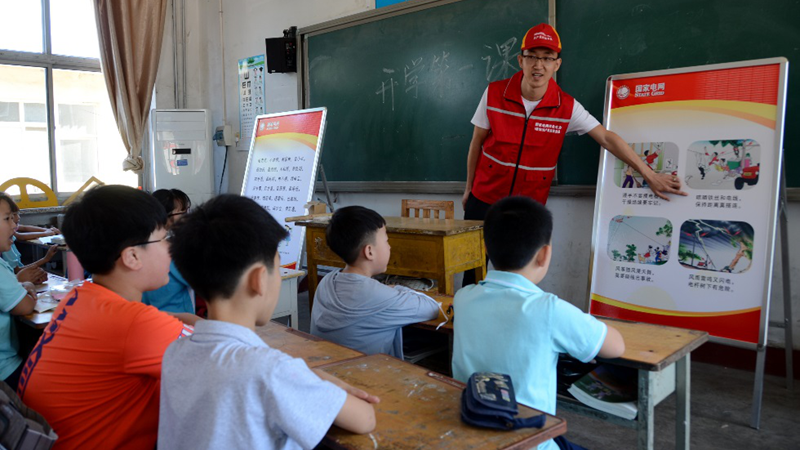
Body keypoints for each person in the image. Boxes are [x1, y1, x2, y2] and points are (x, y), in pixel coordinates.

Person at [159, 195, 378, 449]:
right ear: (259, 279)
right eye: (277, 268)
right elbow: (365, 419)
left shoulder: (175, 351)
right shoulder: (270, 369)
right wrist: (323, 380)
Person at [17, 185, 194, 450]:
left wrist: (181, 318)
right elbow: (228, 374)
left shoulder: (81, 297)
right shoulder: (135, 323)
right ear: (133, 256)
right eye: (164, 237)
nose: (171, 246)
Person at [461, 23, 686, 220]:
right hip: (484, 198)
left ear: (556, 64)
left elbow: (607, 138)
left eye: (547, 58)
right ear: (521, 60)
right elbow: (476, 142)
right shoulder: (493, 93)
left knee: (522, 268)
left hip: (528, 206)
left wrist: (649, 174)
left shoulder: (566, 107)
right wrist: (468, 188)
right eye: (532, 56)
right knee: (474, 266)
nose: (538, 65)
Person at [451, 196, 625, 450]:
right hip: (530, 441)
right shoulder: (550, 310)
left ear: (486, 248)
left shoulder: (463, 298)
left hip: (473, 434)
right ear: (544, 254)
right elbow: (615, 347)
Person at [310, 206, 440, 359]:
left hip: (325, 372)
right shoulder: (381, 296)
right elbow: (432, 308)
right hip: (368, 377)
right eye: (386, 240)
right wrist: (396, 288)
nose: (389, 246)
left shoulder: (326, 282)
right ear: (369, 251)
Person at [0, 193, 36, 390]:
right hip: (5, 370)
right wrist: (28, 287)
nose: (14, 225)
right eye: (7, 219)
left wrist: (20, 285)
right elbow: (25, 306)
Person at [142, 189, 196, 317]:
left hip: (150, 319)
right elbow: (202, 279)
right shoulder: (172, 249)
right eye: (183, 211)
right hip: (177, 322)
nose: (188, 216)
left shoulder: (143, 243)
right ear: (166, 216)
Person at [1, 200, 57, 284]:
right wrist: (45, 259)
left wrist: (28, 281)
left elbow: (24, 227)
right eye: (8, 218)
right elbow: (16, 273)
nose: (13, 225)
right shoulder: (5, 244)